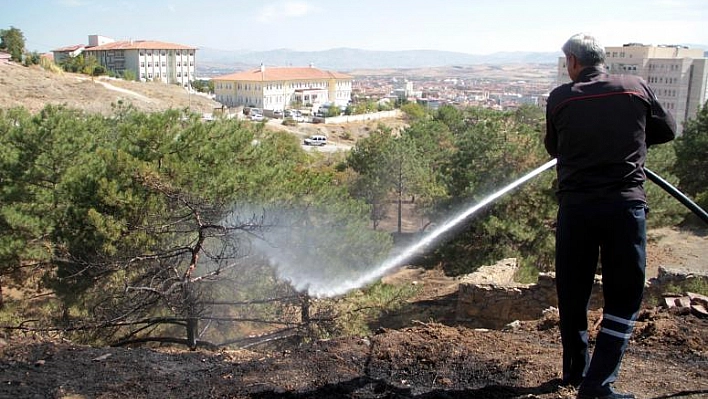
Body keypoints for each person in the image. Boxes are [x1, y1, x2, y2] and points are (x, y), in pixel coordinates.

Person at [544, 33, 676, 399]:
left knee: (572, 291)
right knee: (624, 295)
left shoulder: (560, 98)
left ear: (573, 61)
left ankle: (576, 373)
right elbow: (667, 131)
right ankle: (598, 383)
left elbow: (554, 146)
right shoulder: (636, 86)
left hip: (576, 208)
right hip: (624, 206)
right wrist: (629, 139)